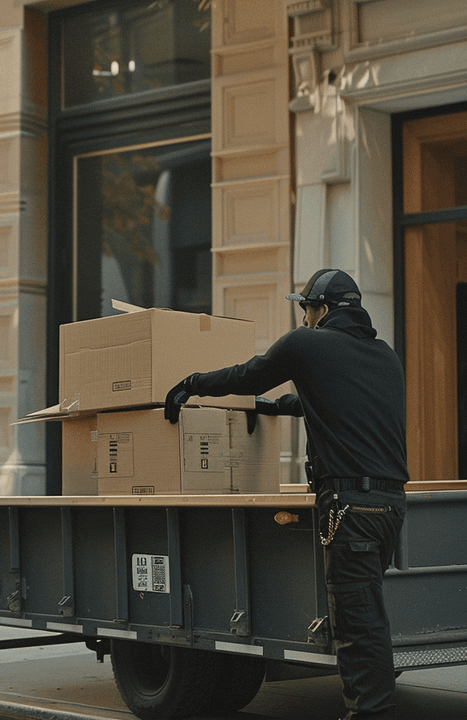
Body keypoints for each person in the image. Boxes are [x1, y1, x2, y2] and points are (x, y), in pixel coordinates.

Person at [164, 269, 408, 720]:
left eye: (307, 308)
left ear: (324, 309)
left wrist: (191, 383)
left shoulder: (306, 344)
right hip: (390, 507)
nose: (305, 317)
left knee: (357, 628)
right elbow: (333, 403)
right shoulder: (384, 356)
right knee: (368, 618)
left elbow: (249, 375)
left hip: (349, 507)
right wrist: (276, 407)